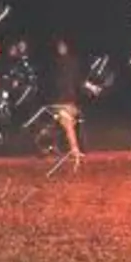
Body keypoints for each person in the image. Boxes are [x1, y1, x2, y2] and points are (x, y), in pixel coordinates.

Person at [48, 39, 86, 168]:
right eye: (60, 47)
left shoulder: (72, 62)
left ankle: (71, 148)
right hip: (60, 100)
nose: (61, 49)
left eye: (63, 47)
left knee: (69, 125)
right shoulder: (56, 64)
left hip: (69, 100)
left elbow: (77, 80)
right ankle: (73, 149)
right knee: (67, 125)